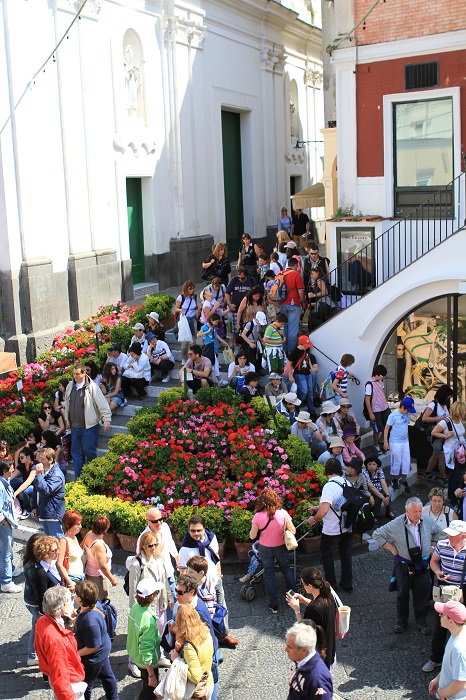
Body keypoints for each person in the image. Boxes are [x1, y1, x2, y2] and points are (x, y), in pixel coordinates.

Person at [372, 496, 442, 635]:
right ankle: (401, 621)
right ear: (406, 511)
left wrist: (433, 546)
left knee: (422, 594)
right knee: (402, 594)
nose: (418, 515)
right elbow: (377, 534)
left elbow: (437, 530)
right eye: (415, 512)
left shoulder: (426, 520)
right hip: (404, 566)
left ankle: (421, 621)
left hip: (423, 566)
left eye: (420, 511)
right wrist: (392, 549)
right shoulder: (397, 523)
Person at [178, 515, 238, 647]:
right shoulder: (185, 549)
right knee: (205, 615)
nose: (196, 533)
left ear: (204, 529)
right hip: (199, 588)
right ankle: (209, 640)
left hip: (214, 581)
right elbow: (182, 571)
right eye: (193, 531)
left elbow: (216, 557)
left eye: (199, 530)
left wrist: (219, 575)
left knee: (221, 609)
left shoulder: (211, 538)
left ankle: (223, 635)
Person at [422, 520, 466, 674]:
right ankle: (435, 659)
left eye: (454, 535)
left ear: (463, 536)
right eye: (449, 534)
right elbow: (434, 561)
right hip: (445, 589)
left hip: (463, 590)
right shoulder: (442, 545)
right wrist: (437, 572)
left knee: (462, 625)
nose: (450, 537)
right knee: (440, 625)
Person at [307, 458, 353, 592]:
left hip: (331, 529)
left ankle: (331, 585)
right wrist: (317, 507)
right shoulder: (347, 483)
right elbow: (337, 505)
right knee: (346, 555)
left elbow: (325, 510)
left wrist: (314, 519)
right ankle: (347, 583)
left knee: (327, 556)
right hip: (347, 526)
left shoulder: (329, 486)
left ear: (326, 470)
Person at [249, 488, 297, 614]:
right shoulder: (283, 513)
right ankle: (295, 597)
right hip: (281, 546)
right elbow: (293, 531)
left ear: (262, 502)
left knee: (269, 575)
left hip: (265, 548)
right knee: (286, 570)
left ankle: (274, 604)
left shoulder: (258, 516)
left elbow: (252, 536)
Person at [35, 586, 86, 700]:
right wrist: (69, 697)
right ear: (62, 607)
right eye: (68, 601)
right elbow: (60, 675)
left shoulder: (41, 621)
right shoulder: (56, 640)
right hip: (69, 684)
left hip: (55, 677)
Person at [74, 580, 120, 700]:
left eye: (76, 594)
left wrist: (76, 654)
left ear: (80, 599)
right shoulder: (95, 607)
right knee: (108, 677)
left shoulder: (89, 621)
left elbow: (93, 646)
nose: (74, 596)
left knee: (85, 686)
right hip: (103, 651)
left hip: (94, 658)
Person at [65, 363, 112, 479]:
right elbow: (67, 403)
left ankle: (92, 474)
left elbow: (103, 404)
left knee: (88, 450)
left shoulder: (92, 387)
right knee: (76, 453)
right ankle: (79, 478)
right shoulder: (70, 386)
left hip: (89, 426)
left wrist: (107, 420)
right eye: (74, 373)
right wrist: (67, 419)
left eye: (77, 374)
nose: (75, 376)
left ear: (84, 373)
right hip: (75, 426)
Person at [285, 567, 336, 668]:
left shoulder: (314, 609)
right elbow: (321, 608)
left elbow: (304, 630)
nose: (303, 587)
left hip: (320, 657)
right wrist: (305, 601)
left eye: (303, 584)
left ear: (310, 586)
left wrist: (296, 609)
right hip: (330, 651)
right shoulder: (328, 593)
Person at [126, 578, 162, 699]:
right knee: (150, 692)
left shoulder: (136, 608)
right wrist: (151, 675)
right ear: (152, 596)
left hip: (136, 656)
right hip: (146, 663)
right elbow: (146, 648)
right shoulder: (149, 620)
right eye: (157, 592)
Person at [169, 605, 214, 700]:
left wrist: (176, 660)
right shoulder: (206, 633)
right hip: (209, 683)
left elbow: (195, 677)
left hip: (196, 691)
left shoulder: (189, 647)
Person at [285, 623, 333, 700]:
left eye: (289, 647)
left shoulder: (317, 680)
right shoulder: (299, 661)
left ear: (304, 650)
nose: (285, 649)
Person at [429, 600, 466, 700]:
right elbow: (450, 666)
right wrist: (438, 678)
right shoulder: (457, 633)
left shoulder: (459, 649)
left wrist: (441, 694)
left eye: (442, 614)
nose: (439, 616)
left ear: (451, 621)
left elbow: (461, 683)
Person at [431, 400, 466, 504]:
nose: (465, 412)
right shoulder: (446, 422)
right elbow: (434, 432)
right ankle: (453, 497)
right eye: (464, 410)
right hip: (452, 452)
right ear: (459, 410)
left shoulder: (459, 421)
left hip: (460, 451)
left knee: (458, 474)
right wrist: (446, 435)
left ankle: (455, 494)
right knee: (456, 474)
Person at [384, 395, 417, 492]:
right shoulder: (393, 415)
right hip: (395, 441)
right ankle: (394, 479)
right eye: (408, 409)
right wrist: (386, 442)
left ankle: (404, 479)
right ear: (403, 407)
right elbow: (386, 428)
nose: (409, 412)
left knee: (406, 461)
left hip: (405, 441)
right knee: (396, 460)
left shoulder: (407, 414)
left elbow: (406, 428)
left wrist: (408, 440)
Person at [422, 384, 454, 481]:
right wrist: (439, 418)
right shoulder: (433, 404)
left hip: (443, 433)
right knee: (440, 455)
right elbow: (424, 418)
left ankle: (427, 472)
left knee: (436, 455)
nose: (449, 398)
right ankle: (443, 478)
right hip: (435, 434)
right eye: (448, 396)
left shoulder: (444, 405)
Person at [32, 447, 65, 537]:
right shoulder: (42, 472)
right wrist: (34, 507)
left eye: (43, 459)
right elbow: (36, 489)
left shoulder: (57, 475)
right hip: (44, 511)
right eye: (40, 458)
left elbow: (46, 490)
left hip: (53, 514)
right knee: (49, 541)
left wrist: (38, 475)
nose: (40, 461)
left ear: (50, 460)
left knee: (57, 541)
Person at [82, 516, 118, 601]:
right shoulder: (99, 545)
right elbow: (102, 566)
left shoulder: (89, 534)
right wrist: (112, 579)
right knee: (102, 602)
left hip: (90, 572)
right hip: (98, 577)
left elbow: (81, 547)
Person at [0, 459, 22, 593]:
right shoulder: (1, 487)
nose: (13, 469)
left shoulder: (5, 482)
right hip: (3, 524)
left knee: (7, 548)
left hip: (6, 523)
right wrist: (4, 521)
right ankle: (6, 581)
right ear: (4, 471)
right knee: (6, 551)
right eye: (11, 468)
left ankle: (10, 570)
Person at [23, 532, 44, 666]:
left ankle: (32, 654)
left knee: (35, 626)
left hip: (31, 601)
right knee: (39, 627)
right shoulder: (34, 568)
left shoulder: (30, 563)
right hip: (35, 603)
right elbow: (40, 590)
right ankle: (33, 655)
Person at [276, 257, 305, 355]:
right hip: (294, 304)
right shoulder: (296, 274)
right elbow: (301, 291)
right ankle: (291, 354)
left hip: (282, 304)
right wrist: (304, 302)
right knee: (293, 330)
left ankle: (283, 352)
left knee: (284, 329)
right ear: (296, 265)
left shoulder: (280, 274)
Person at [286, 335, 319, 417]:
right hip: (299, 374)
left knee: (310, 392)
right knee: (304, 391)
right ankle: (296, 403)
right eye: (305, 345)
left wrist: (311, 369)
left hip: (307, 373)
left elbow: (308, 360)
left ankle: (311, 410)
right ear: (301, 343)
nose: (307, 347)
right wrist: (290, 376)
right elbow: (289, 364)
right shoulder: (294, 352)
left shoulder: (306, 350)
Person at [364, 365, 391, 454]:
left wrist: (386, 403)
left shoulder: (380, 381)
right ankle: (375, 445)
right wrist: (371, 413)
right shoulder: (369, 384)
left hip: (384, 408)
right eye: (382, 375)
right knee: (377, 429)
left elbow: (382, 393)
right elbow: (367, 399)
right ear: (377, 374)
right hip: (376, 410)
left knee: (389, 424)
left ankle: (382, 440)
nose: (383, 377)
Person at [197, 312, 229, 385]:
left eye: (217, 322)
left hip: (214, 347)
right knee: (215, 365)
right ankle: (219, 381)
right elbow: (198, 334)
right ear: (211, 320)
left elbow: (216, 335)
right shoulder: (205, 327)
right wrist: (207, 331)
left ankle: (211, 380)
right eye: (215, 322)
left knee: (212, 365)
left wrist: (223, 342)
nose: (216, 323)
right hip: (209, 348)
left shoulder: (214, 327)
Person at [57, 510, 85, 591]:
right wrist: (69, 582)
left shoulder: (74, 537)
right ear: (69, 525)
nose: (80, 526)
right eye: (77, 524)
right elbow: (59, 563)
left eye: (80, 523)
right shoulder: (63, 541)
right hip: (72, 577)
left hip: (80, 576)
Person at [225, 267, 256, 334]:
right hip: (235, 307)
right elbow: (227, 293)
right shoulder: (234, 280)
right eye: (239, 277)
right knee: (236, 329)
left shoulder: (251, 280)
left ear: (246, 276)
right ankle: (236, 343)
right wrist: (229, 304)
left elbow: (256, 292)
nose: (240, 279)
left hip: (248, 309)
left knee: (248, 328)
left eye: (242, 278)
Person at [175, 281, 199, 364]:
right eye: (190, 289)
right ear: (186, 289)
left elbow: (195, 306)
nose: (192, 290)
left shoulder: (195, 297)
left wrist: (197, 308)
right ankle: (184, 357)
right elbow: (176, 308)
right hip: (184, 320)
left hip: (192, 319)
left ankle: (192, 357)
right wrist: (180, 310)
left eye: (193, 288)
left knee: (193, 340)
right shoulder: (181, 297)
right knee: (185, 341)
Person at [11, 446, 37, 515]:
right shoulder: (22, 465)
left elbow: (28, 482)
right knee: (11, 483)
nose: (20, 459)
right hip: (25, 483)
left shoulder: (34, 466)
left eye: (22, 457)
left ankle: (27, 509)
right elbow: (12, 476)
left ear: (28, 457)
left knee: (23, 491)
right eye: (20, 457)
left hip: (35, 487)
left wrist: (15, 493)